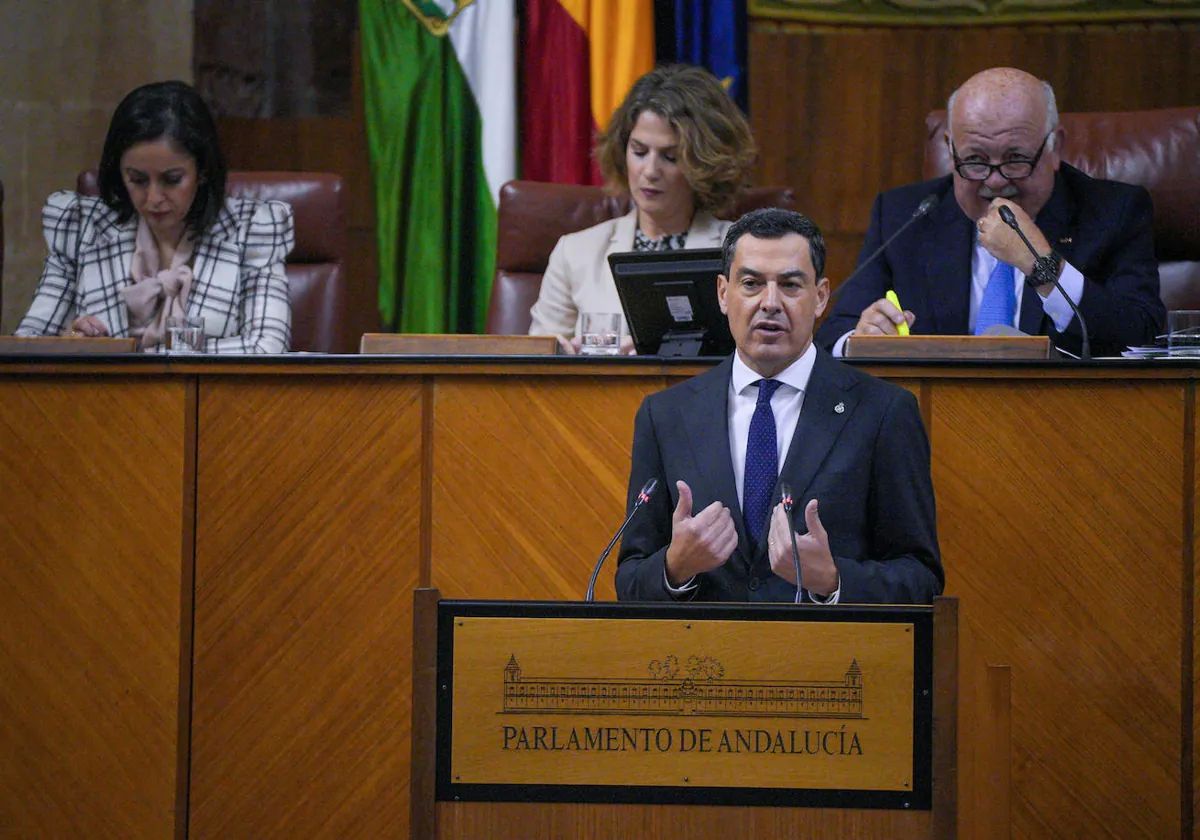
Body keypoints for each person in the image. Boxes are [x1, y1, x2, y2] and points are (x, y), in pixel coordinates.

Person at [616, 208, 943, 604]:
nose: (770, 303)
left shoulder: (883, 412)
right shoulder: (665, 415)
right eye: (751, 283)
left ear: (820, 297)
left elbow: (920, 577)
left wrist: (834, 580)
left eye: (790, 285)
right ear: (723, 293)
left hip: (828, 658)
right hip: (703, 657)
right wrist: (674, 567)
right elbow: (629, 578)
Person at [815, 67, 1163, 358]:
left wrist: (1040, 264)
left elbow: (1142, 335)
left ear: (1057, 147)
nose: (995, 182)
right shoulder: (905, 216)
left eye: (1015, 159)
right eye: (975, 161)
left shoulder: (1113, 212)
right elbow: (834, 335)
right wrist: (862, 340)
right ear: (951, 150)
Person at [16, 80, 293, 353]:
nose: (153, 198)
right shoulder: (78, 227)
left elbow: (267, 347)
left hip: (213, 397)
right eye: (137, 179)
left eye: (172, 180)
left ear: (203, 170)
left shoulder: (253, 229)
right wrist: (70, 341)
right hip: (100, 398)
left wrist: (132, 360)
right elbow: (26, 346)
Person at [527, 64, 756, 349]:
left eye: (670, 157)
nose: (649, 170)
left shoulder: (744, 252)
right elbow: (536, 359)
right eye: (639, 151)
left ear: (703, 164)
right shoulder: (575, 253)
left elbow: (759, 359)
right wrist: (562, 354)